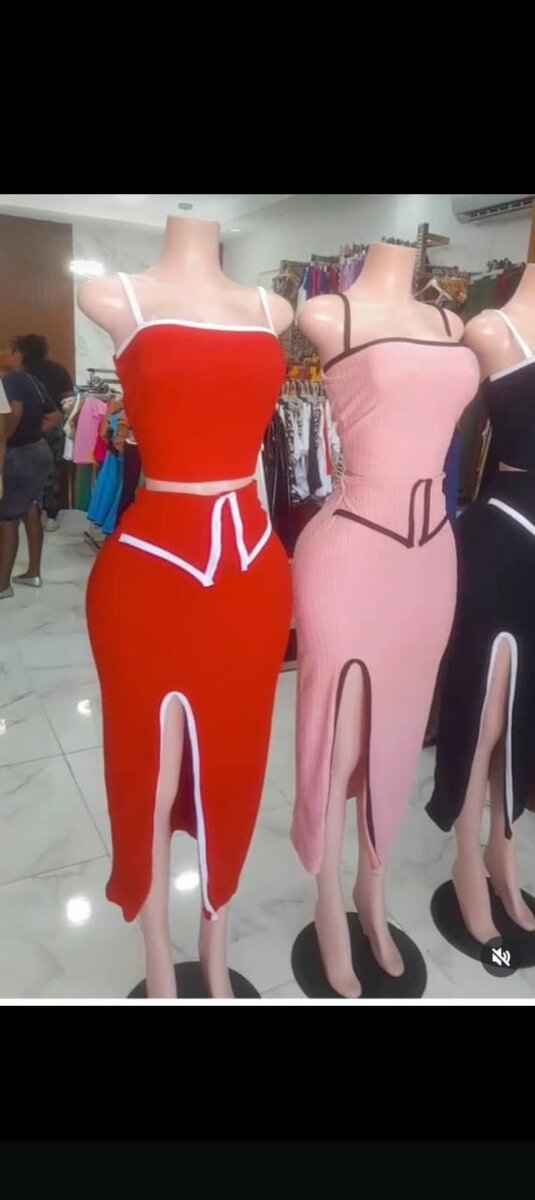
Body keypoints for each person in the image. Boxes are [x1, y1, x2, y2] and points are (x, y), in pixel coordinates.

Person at [0, 352, 61, 599]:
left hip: (18, 456)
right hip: (38, 449)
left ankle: (2, 585)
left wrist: (6, 441)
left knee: (8, 517)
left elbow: (14, 413)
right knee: (30, 507)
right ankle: (33, 573)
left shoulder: (10, 380)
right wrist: (31, 433)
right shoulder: (30, 379)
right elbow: (55, 416)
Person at [10, 335, 73, 531]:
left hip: (24, 430)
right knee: (52, 471)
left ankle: (24, 514)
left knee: (22, 474)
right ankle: (51, 516)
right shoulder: (58, 370)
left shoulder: (18, 374)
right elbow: (68, 399)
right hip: (53, 426)